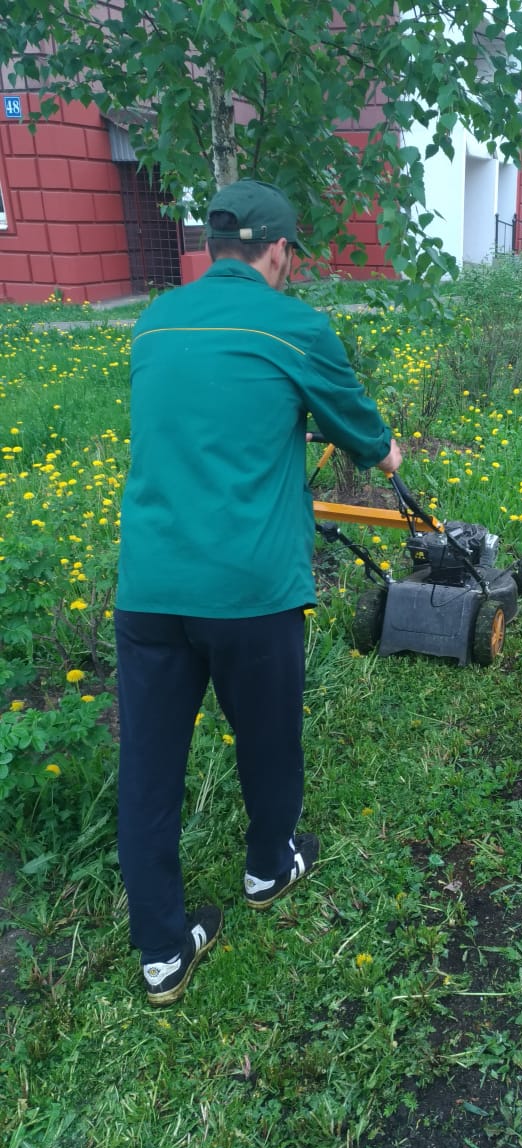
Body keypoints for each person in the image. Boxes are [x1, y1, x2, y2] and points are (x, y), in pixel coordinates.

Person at [115, 178, 402, 1006]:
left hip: (150, 590)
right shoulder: (295, 325)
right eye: (289, 257)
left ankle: (162, 952)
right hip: (248, 593)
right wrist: (389, 456)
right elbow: (361, 432)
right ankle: (268, 868)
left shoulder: (152, 322)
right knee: (268, 738)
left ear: (211, 249)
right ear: (279, 252)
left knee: (149, 768)